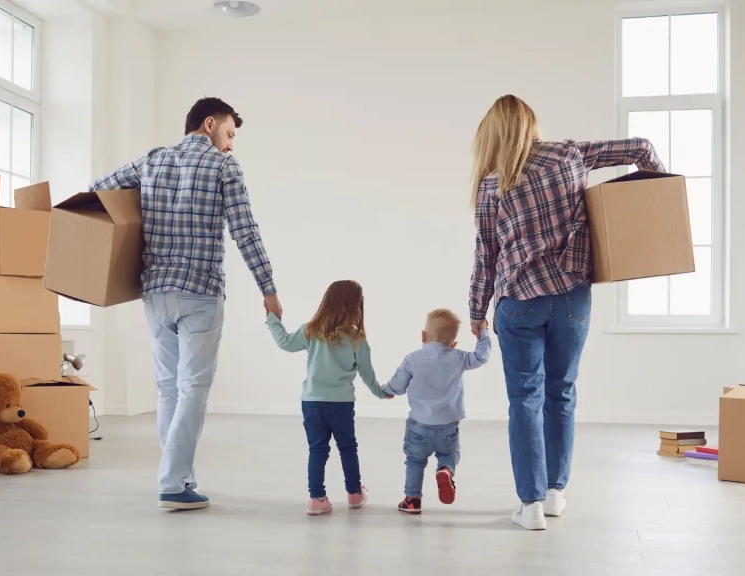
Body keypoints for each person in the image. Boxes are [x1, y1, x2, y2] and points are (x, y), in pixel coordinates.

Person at [468, 95, 665, 530]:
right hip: (572, 298)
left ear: (494, 133)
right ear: (531, 125)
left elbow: (487, 255)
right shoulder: (570, 154)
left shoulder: (490, 184)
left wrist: (476, 310)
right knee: (562, 393)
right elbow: (641, 147)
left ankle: (531, 505)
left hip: (519, 301)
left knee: (525, 400)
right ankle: (556, 493)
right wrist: (654, 199)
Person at [89, 97, 282, 510]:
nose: (230, 145)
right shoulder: (223, 167)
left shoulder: (152, 162)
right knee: (193, 388)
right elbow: (245, 231)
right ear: (209, 124)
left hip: (156, 292)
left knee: (167, 390)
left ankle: (181, 477)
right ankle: (173, 482)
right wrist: (268, 288)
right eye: (229, 134)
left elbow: (97, 191)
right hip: (200, 292)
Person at [265, 280, 392, 515]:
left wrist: (272, 318)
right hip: (341, 404)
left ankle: (316, 499)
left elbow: (284, 343)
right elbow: (367, 375)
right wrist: (381, 393)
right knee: (347, 447)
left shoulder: (311, 330)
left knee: (317, 450)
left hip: (311, 402)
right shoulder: (357, 338)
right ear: (356, 306)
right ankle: (355, 494)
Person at [381, 309, 491, 515]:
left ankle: (412, 500)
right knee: (449, 454)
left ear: (423, 335)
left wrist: (386, 391)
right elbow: (481, 356)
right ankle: (445, 470)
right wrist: (483, 332)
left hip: (418, 425)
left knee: (415, 461)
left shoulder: (413, 359)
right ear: (453, 343)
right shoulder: (458, 357)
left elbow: (398, 385)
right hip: (448, 424)